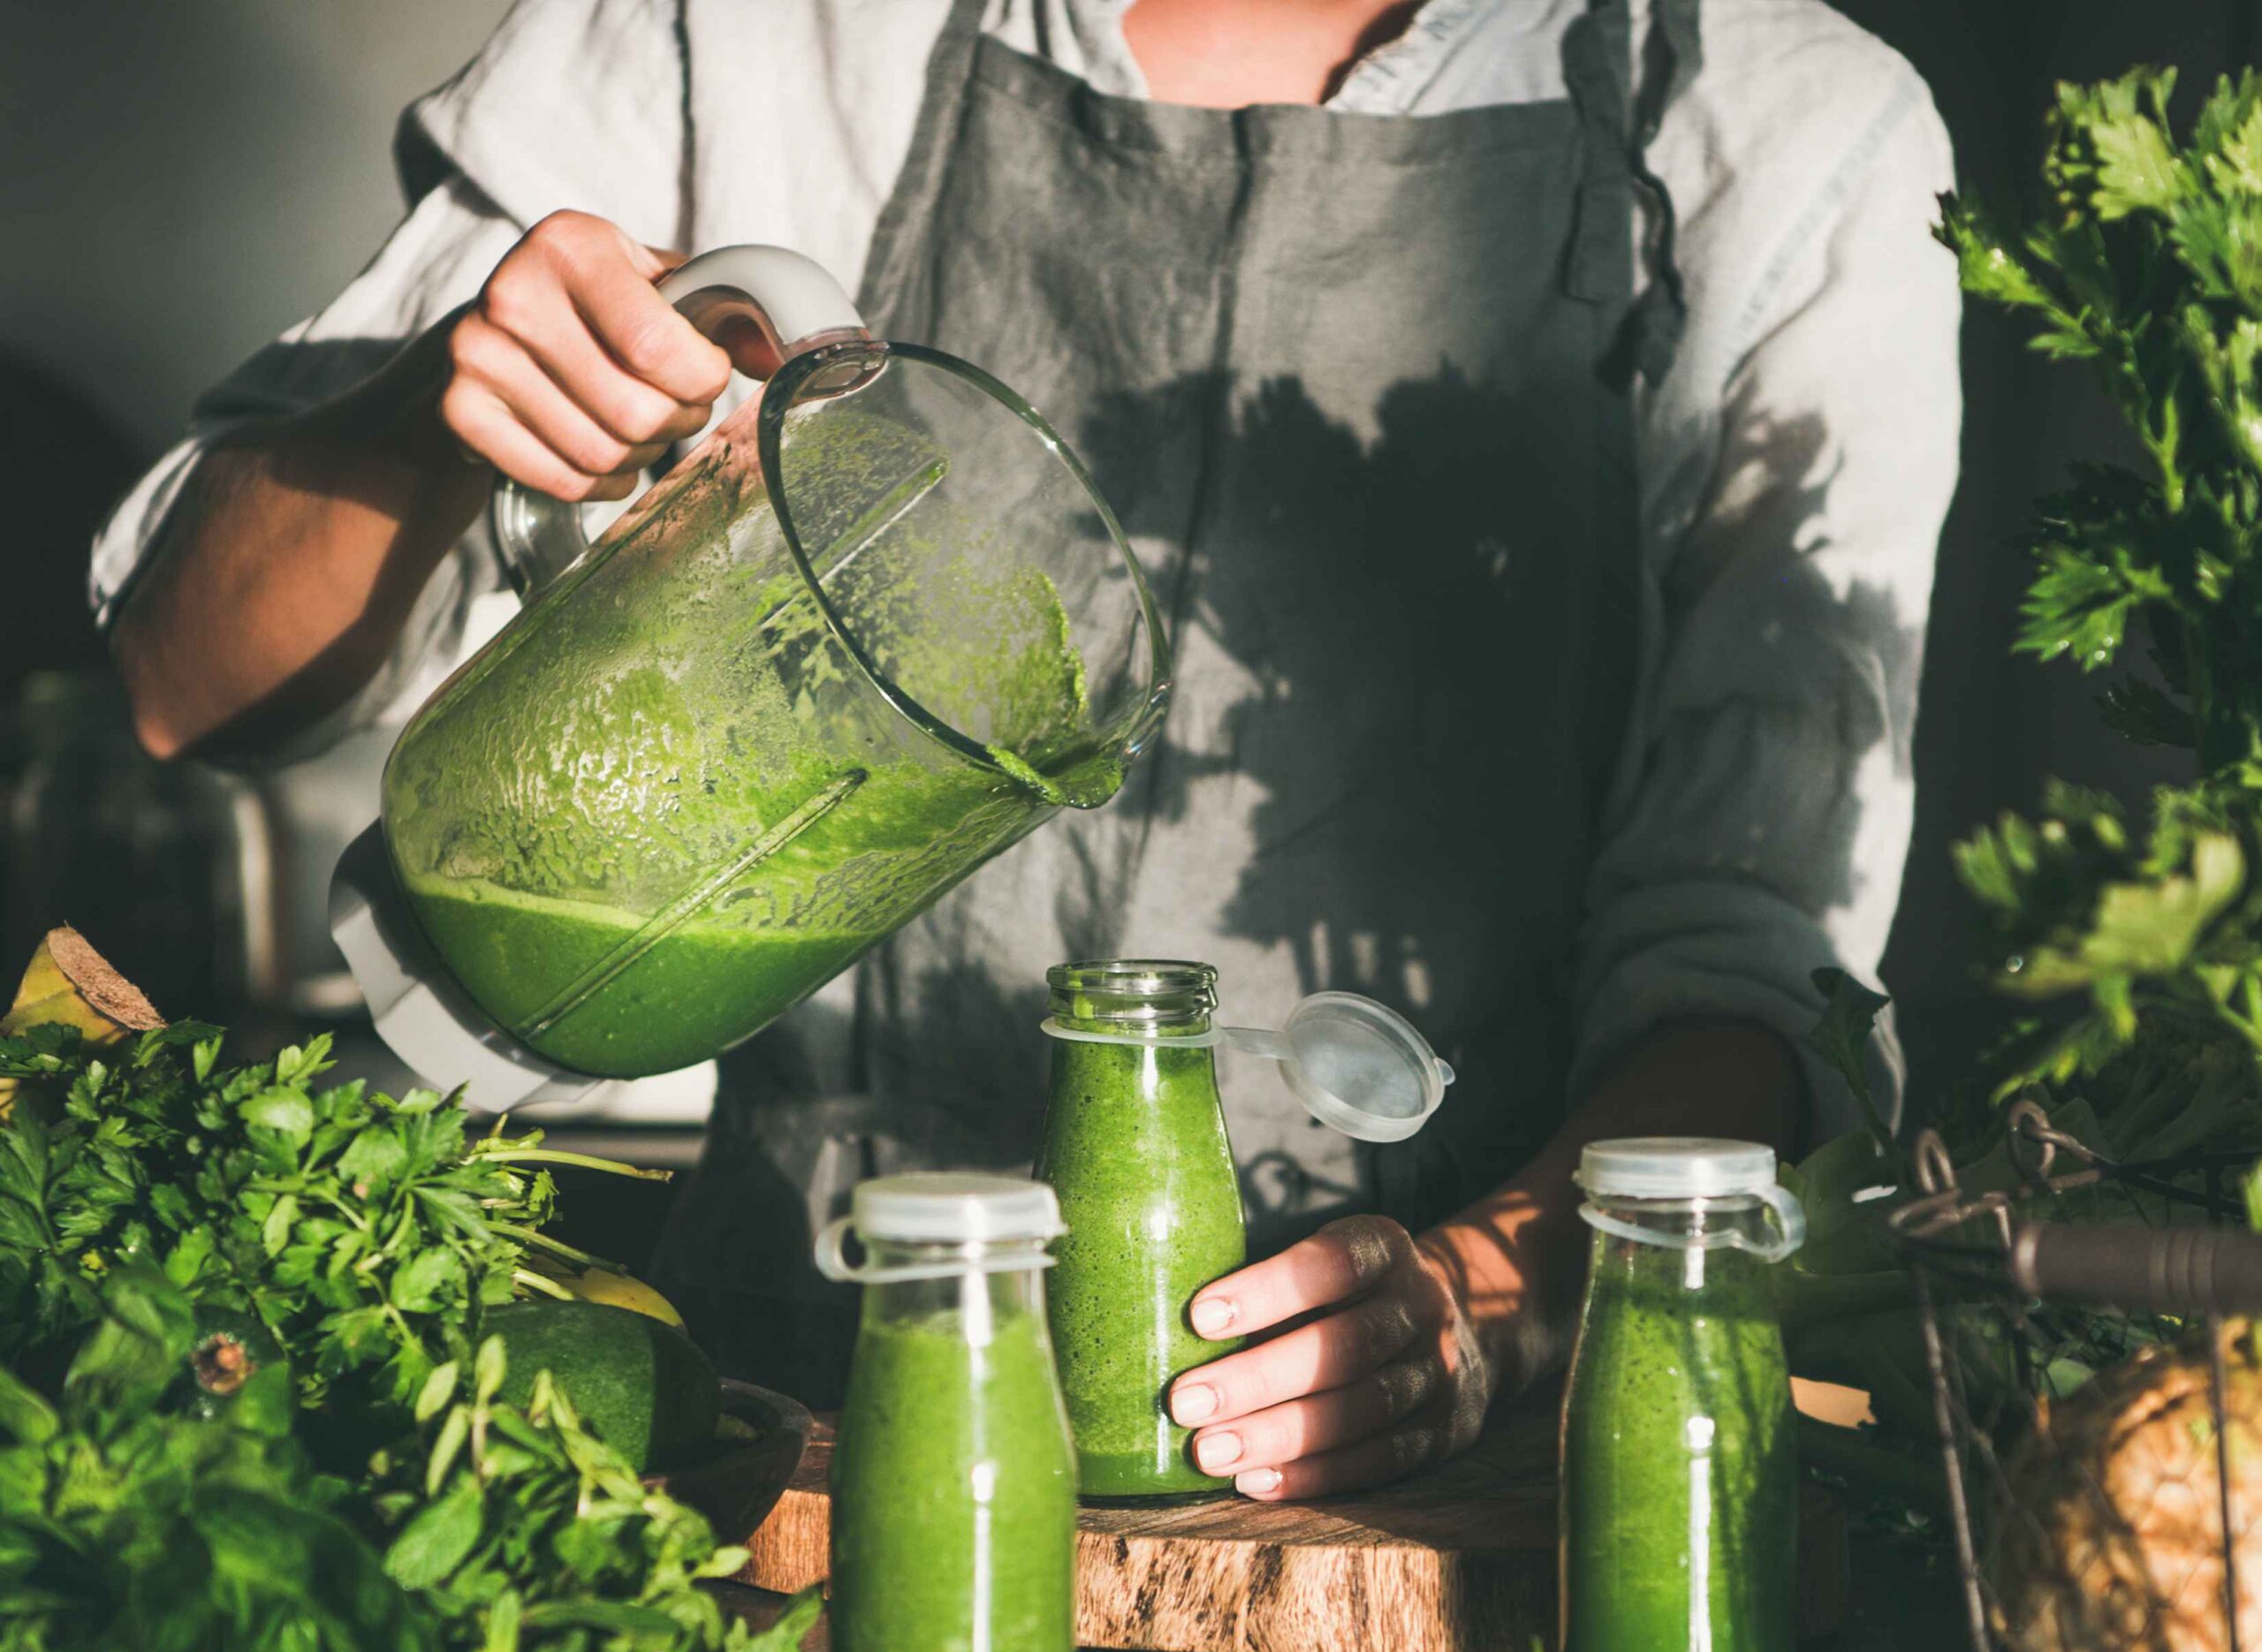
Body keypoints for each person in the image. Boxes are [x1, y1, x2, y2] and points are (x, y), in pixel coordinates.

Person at [98, 0, 1960, 1499]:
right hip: (767, 1437)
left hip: (1436, 1495)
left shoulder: (1772, 129)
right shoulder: (751, 36)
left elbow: (1745, 954)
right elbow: (193, 683)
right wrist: (438, 414)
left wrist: (1478, 1303)